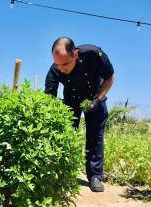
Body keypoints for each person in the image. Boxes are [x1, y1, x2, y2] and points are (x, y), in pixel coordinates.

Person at [45, 37, 114, 192]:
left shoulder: (94, 55)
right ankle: (66, 173)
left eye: (65, 64)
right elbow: (49, 98)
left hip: (95, 94)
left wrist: (97, 99)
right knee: (68, 135)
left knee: (95, 136)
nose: (61, 69)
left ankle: (95, 176)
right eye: (57, 64)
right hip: (72, 99)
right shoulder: (55, 69)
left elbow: (110, 78)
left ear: (75, 54)